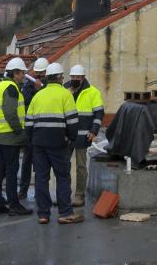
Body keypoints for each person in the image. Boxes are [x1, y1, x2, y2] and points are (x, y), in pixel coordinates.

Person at [25, 61, 82, 224]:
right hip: (58, 144)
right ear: (59, 78)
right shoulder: (66, 95)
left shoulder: (38, 95)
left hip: (39, 144)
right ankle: (65, 213)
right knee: (63, 177)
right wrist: (70, 138)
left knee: (41, 178)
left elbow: (28, 122)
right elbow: (72, 121)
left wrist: (32, 140)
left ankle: (43, 214)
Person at [0, 57, 33, 216]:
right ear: (15, 73)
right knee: (12, 170)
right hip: (9, 136)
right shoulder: (12, 88)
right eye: (21, 74)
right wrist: (20, 132)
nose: (23, 77)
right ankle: (14, 204)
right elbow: (10, 113)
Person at [65, 64, 104, 207]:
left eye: (77, 77)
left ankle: (79, 195)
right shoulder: (64, 90)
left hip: (83, 135)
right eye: (73, 77)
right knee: (64, 165)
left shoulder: (92, 92)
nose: (74, 79)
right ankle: (64, 194)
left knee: (81, 166)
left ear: (83, 78)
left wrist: (94, 130)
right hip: (66, 136)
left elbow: (99, 113)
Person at [18, 56, 49, 200]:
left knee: (41, 164)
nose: (39, 76)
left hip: (43, 129)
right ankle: (23, 190)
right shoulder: (29, 85)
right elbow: (27, 104)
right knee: (27, 161)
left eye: (42, 74)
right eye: (38, 73)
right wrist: (35, 90)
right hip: (31, 129)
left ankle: (39, 192)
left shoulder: (49, 85)